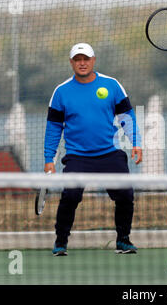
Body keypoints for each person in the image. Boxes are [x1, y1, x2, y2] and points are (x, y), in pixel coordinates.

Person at [44, 43, 143, 256]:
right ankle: (60, 242)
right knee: (70, 197)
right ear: (71, 62)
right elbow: (53, 128)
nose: (82, 63)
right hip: (77, 156)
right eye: (77, 59)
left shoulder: (112, 85)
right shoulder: (61, 92)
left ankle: (123, 240)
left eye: (85, 59)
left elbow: (127, 117)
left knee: (125, 195)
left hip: (109, 153)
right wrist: (48, 158)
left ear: (93, 60)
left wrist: (135, 142)